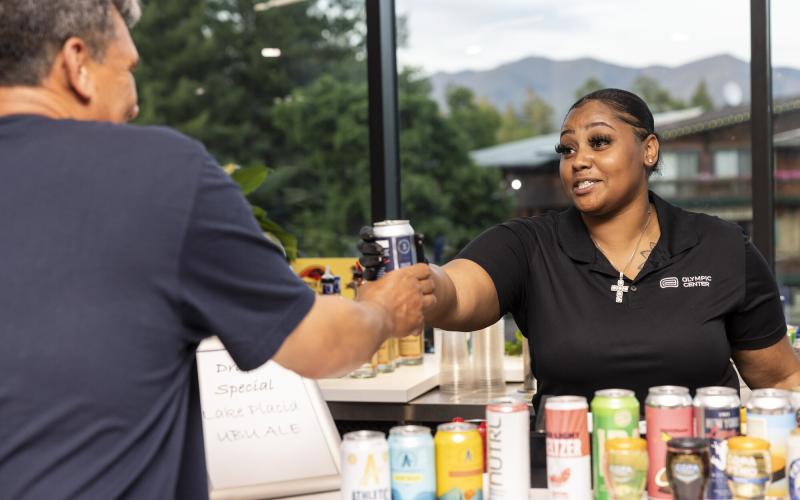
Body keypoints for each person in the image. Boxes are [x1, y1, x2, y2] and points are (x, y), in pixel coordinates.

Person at [0, 1, 434, 498]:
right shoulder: (160, 174)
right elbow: (319, 344)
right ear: (77, 63)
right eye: (127, 70)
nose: (135, 101)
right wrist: (382, 308)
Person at [365, 87, 800, 408]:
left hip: (700, 474)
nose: (578, 160)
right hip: (565, 473)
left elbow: (780, 377)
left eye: (600, 141)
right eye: (567, 148)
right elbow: (458, 290)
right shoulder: (528, 244)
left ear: (648, 150)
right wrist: (418, 282)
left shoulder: (721, 246)